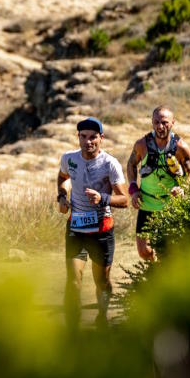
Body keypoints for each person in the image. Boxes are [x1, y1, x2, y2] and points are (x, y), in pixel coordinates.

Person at [57, 117, 129, 328]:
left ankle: (102, 318)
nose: (88, 141)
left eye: (93, 137)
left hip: (101, 230)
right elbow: (63, 177)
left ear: (101, 138)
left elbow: (124, 200)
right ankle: (72, 329)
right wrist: (61, 196)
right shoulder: (69, 159)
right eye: (83, 137)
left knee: (102, 281)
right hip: (76, 228)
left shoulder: (110, 164)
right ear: (78, 137)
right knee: (73, 280)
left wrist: (102, 198)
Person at [126, 105, 190, 262]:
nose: (160, 126)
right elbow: (131, 164)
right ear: (152, 122)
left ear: (173, 123)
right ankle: (156, 266)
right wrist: (133, 189)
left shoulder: (180, 147)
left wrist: (184, 188)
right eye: (156, 122)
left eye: (164, 122)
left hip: (171, 205)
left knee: (171, 250)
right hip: (147, 204)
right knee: (144, 252)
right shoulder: (142, 144)